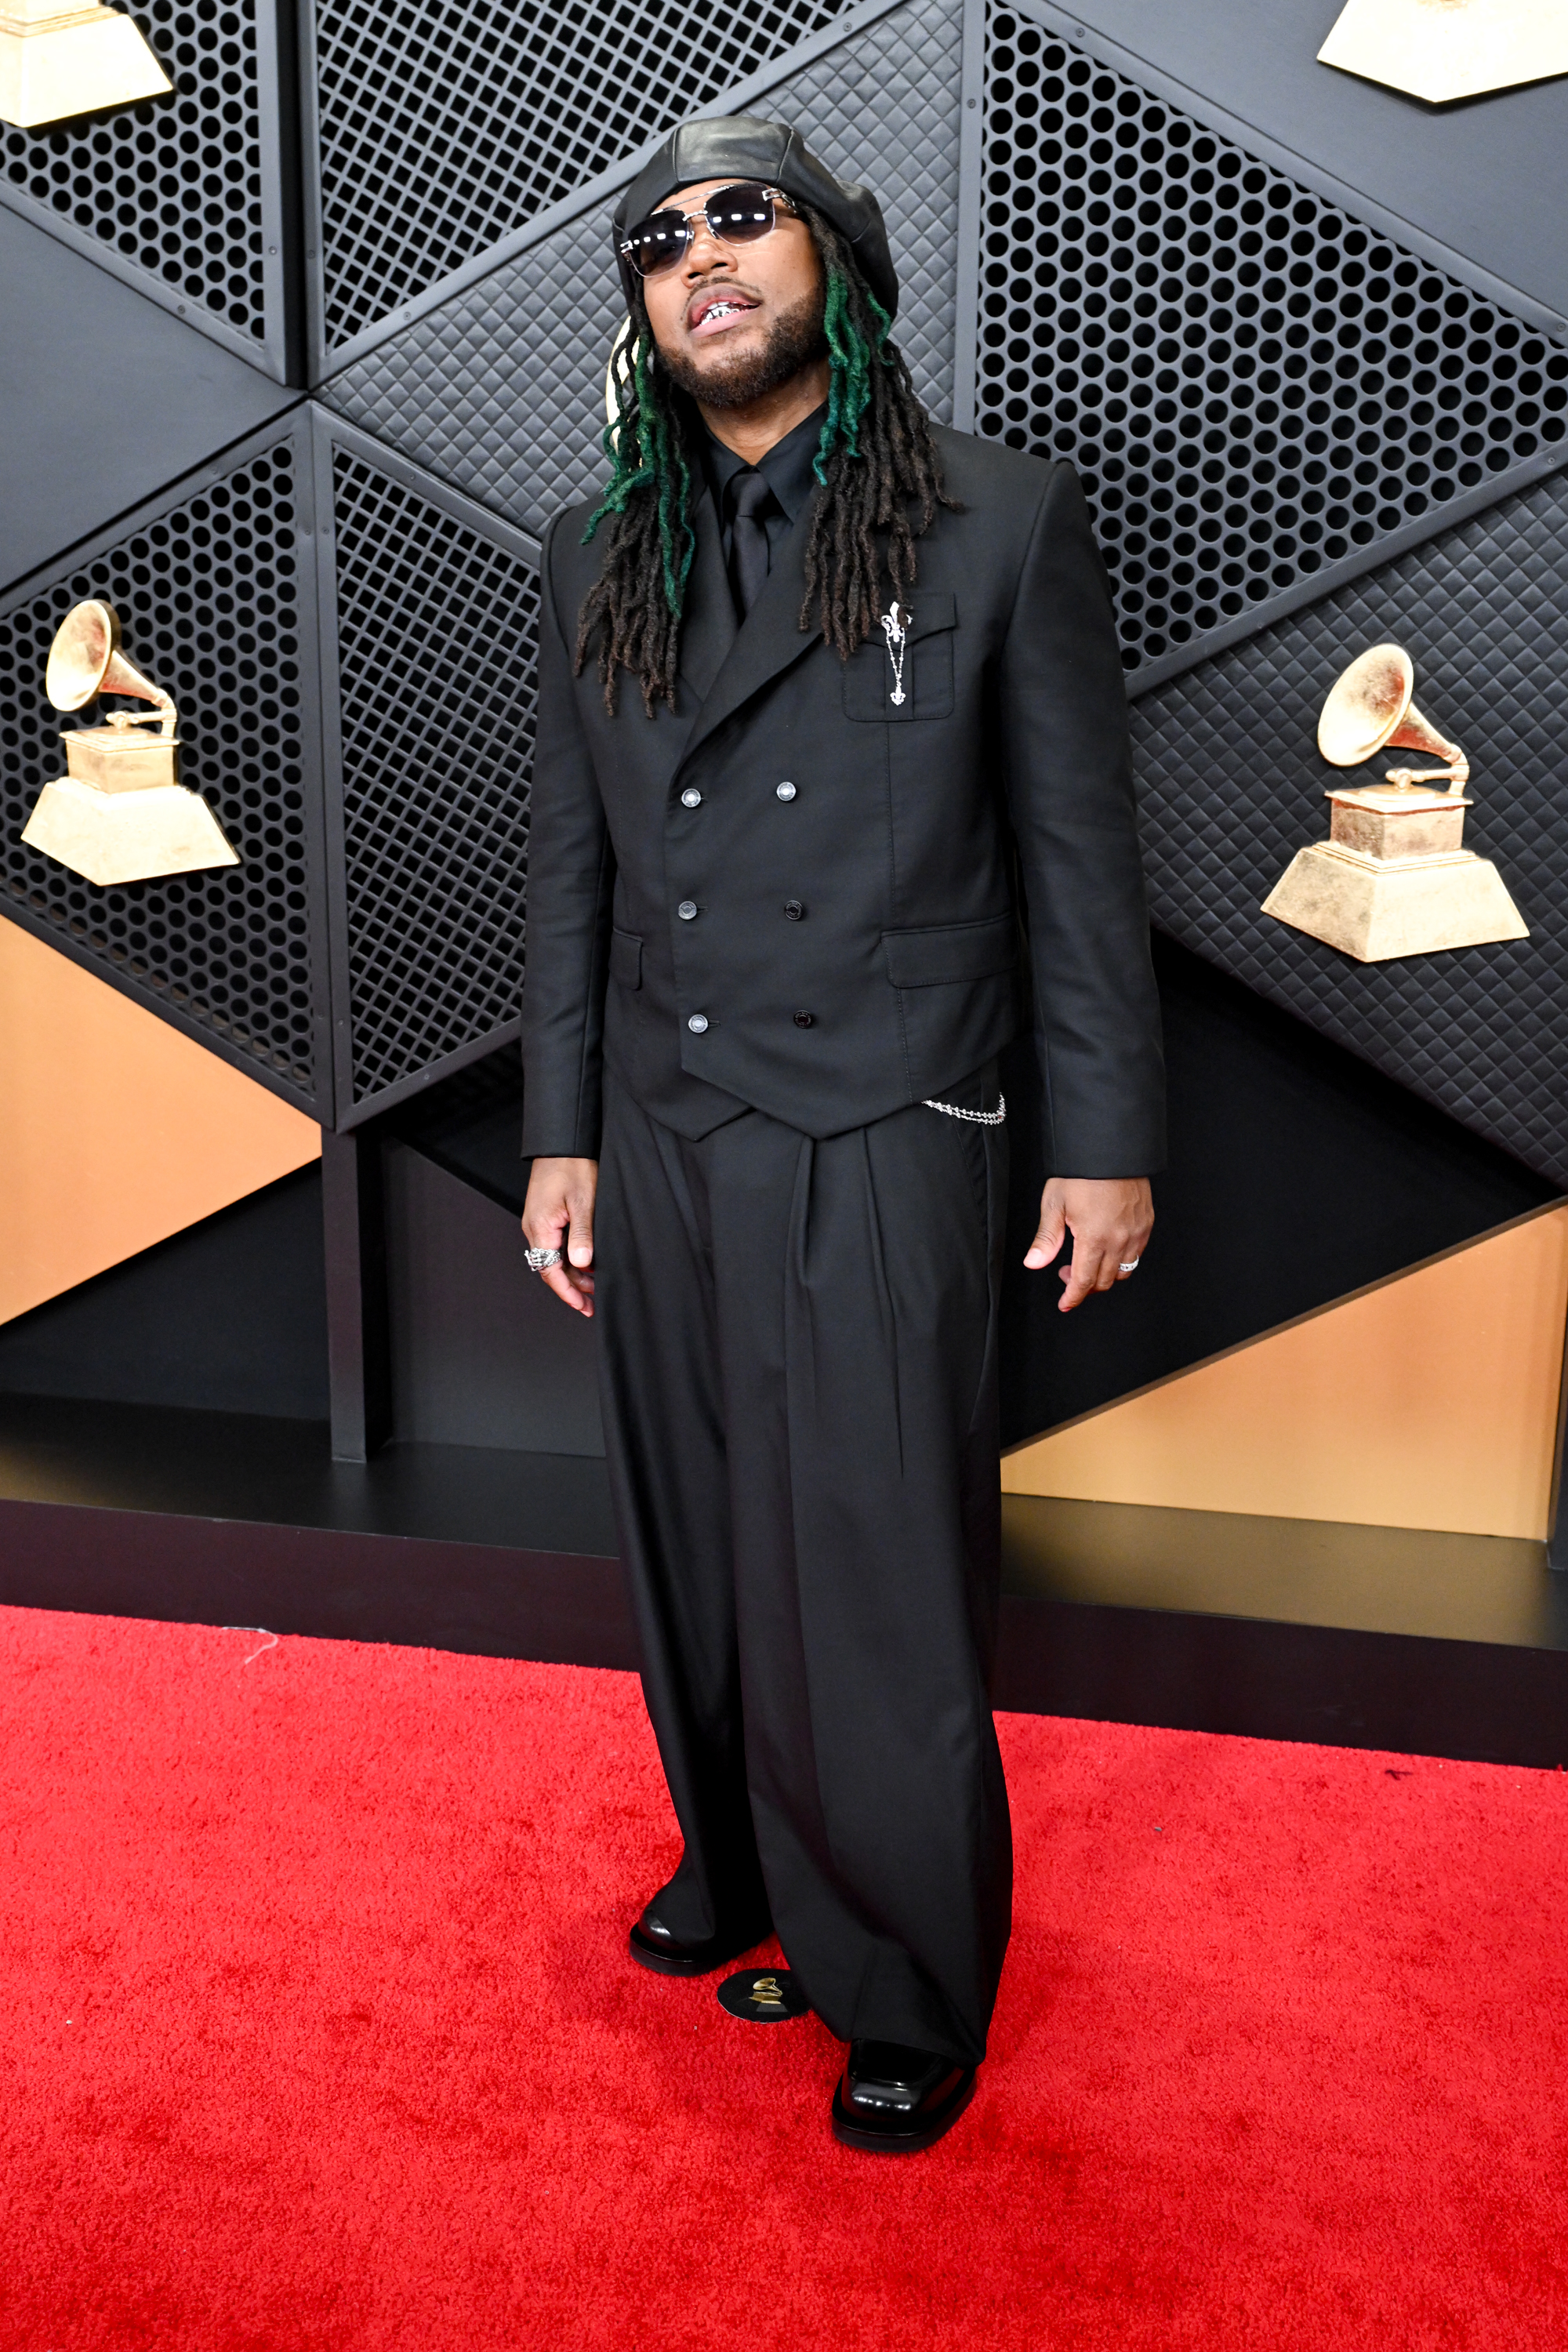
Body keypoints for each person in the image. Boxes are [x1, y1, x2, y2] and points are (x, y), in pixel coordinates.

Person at [520, 115, 1164, 2153]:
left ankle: (903, 1969)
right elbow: (572, 873)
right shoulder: (594, 547)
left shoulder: (995, 519)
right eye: (658, 245)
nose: (699, 259)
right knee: (700, 1544)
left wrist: (1107, 1140)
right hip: (667, 1117)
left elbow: (1079, 861)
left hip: (888, 1117)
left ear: (835, 263)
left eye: (742, 219)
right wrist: (562, 1132)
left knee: (866, 1566)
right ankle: (752, 1878)